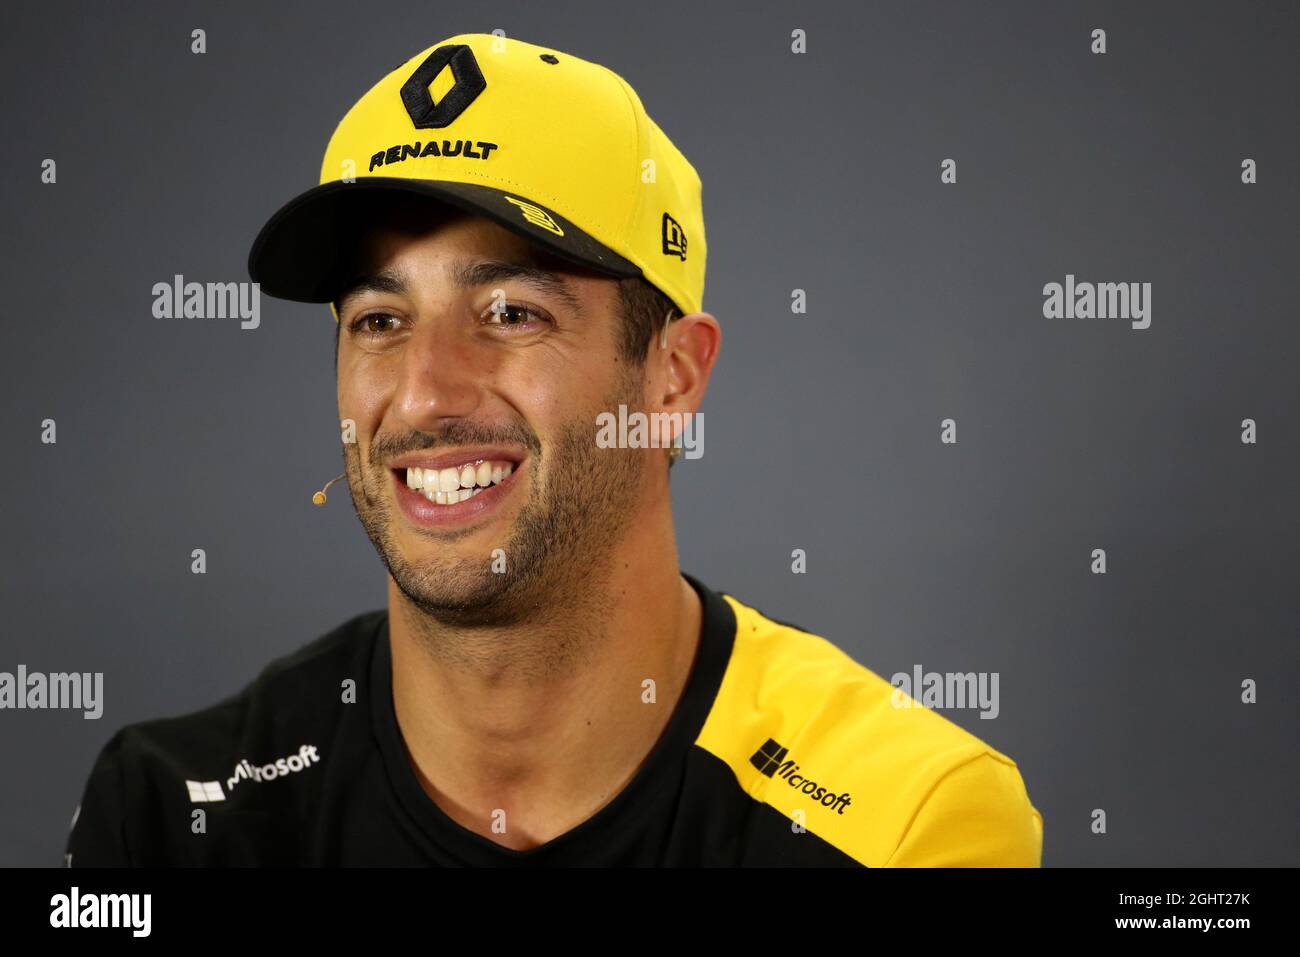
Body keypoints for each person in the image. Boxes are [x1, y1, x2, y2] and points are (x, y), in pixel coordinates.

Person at [67, 32, 1042, 866]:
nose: (424, 392)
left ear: (672, 378)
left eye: (511, 311)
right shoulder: (171, 818)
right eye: (378, 319)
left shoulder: (904, 828)